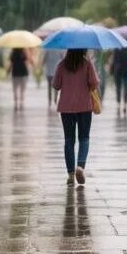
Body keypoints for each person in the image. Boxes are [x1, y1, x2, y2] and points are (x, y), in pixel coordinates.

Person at [52, 49, 99, 185]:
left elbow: (56, 85)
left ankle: (71, 174)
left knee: (69, 140)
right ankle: (80, 166)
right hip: (84, 106)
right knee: (84, 138)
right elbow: (94, 84)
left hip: (66, 108)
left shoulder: (61, 65)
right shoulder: (87, 64)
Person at [108, 47, 127, 114]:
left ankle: (121, 105)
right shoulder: (126, 49)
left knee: (120, 89)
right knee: (123, 89)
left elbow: (113, 60)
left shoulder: (117, 49)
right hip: (122, 72)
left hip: (121, 71)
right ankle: (122, 105)